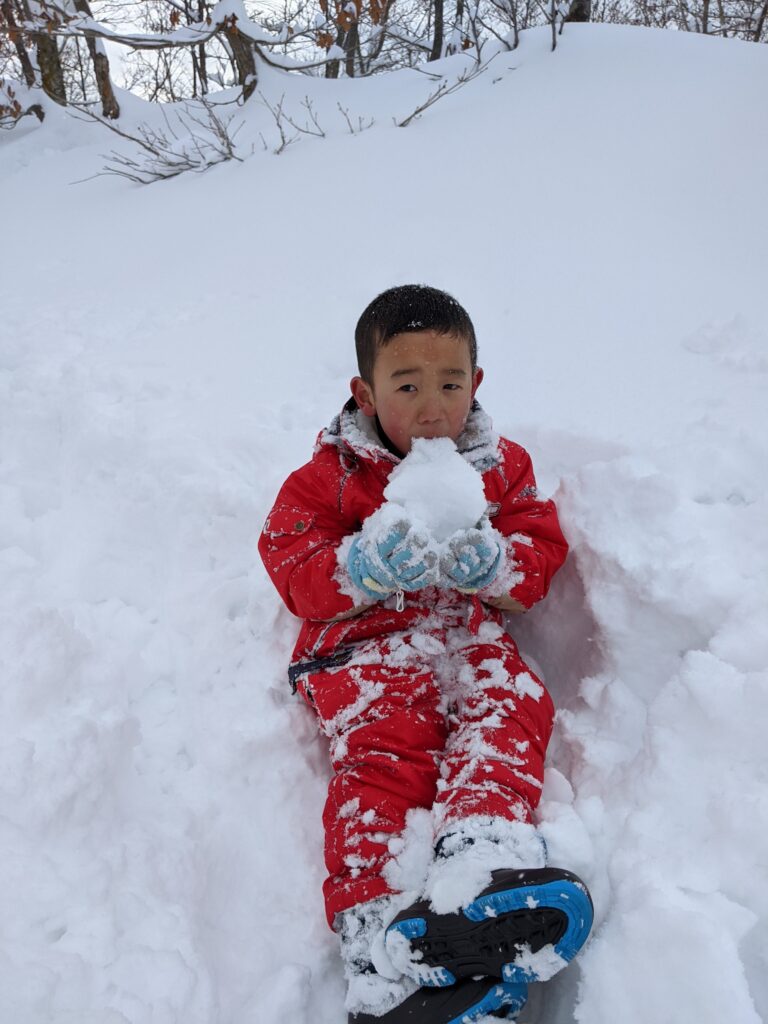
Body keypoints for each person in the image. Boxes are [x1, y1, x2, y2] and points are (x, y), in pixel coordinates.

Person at [258, 285, 593, 1023]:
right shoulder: (332, 477)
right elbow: (289, 558)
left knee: (511, 704)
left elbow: (538, 545)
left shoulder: (500, 466)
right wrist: (360, 568)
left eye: (450, 385)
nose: (433, 409)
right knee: (389, 751)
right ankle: (378, 942)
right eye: (407, 388)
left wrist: (497, 566)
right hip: (364, 653)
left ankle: (480, 856)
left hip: (468, 636)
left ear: (476, 383)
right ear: (366, 394)